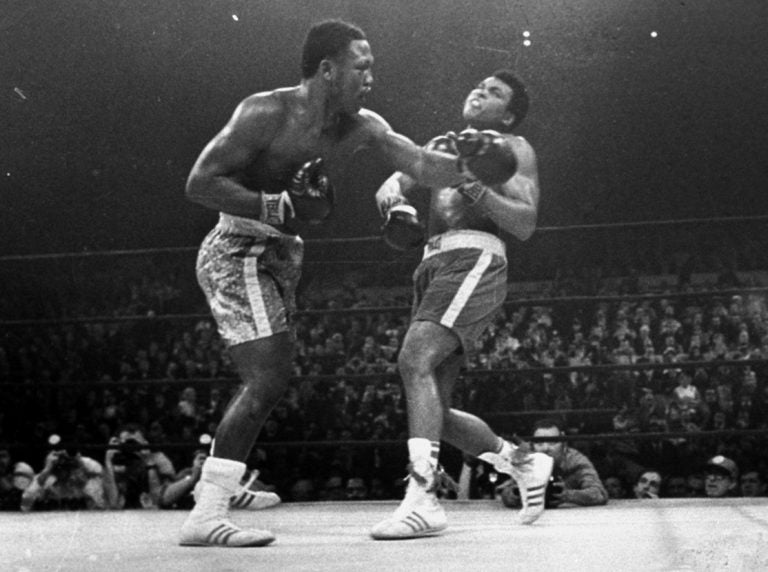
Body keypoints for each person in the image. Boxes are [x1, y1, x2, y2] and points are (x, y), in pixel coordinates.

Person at [180, 19, 515, 547]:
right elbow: (200, 183)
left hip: (281, 253)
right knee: (266, 377)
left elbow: (422, 164)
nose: (370, 78)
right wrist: (279, 204)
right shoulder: (265, 111)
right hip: (238, 248)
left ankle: (223, 477)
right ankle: (209, 509)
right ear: (328, 69)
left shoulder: (360, 125)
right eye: (362, 67)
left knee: (272, 373)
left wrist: (474, 164)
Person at [370, 69, 554, 540]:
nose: (480, 92)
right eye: (479, 86)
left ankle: (422, 498)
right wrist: (397, 204)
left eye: (495, 93)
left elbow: (525, 223)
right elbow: (390, 185)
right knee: (437, 409)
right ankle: (524, 463)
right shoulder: (441, 143)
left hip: (476, 256)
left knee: (414, 360)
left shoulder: (515, 149)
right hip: (432, 264)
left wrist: (475, 184)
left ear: (508, 114)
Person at [498, 419, 608, 511]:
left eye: (552, 442)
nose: (545, 448)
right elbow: (506, 493)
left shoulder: (576, 461)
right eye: (539, 443)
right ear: (532, 445)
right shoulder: (526, 458)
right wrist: (518, 494)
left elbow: (599, 494)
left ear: (563, 443)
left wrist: (569, 495)